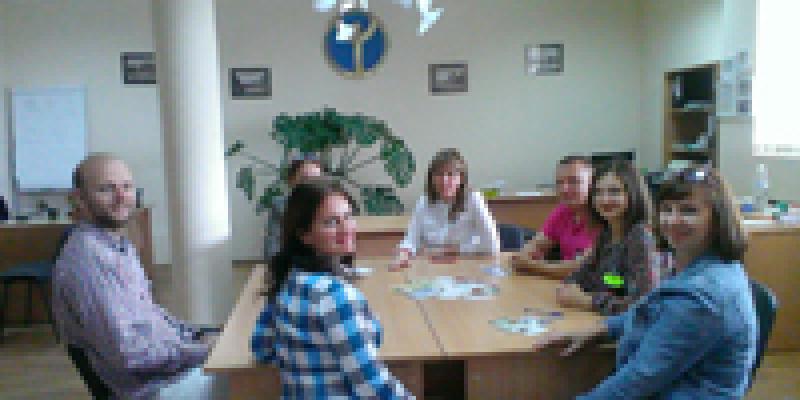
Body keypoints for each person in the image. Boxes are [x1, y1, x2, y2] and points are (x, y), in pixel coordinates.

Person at [544, 167, 757, 399]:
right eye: (667, 210)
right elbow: (649, 308)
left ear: (718, 218)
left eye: (689, 211)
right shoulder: (700, 265)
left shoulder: (700, 295)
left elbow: (639, 379)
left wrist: (592, 300)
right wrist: (603, 329)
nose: (673, 220)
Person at [51, 154, 222, 399]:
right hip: (150, 390)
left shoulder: (119, 246)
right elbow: (129, 356)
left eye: (127, 187)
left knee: (250, 355)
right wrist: (202, 351)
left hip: (171, 372)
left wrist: (198, 334)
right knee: (256, 374)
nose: (122, 197)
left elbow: (151, 315)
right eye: (106, 189)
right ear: (79, 198)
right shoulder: (87, 261)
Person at [251, 177, 413, 399]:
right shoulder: (335, 295)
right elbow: (372, 387)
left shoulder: (288, 280)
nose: (346, 229)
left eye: (348, 217)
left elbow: (261, 348)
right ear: (304, 235)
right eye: (331, 222)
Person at [556, 161, 661, 315]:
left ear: (632, 194)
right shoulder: (606, 234)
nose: (605, 199)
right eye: (598, 192)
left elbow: (645, 305)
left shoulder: (641, 236)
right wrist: (569, 287)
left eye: (614, 191)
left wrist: (590, 301)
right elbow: (590, 276)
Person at [394, 148, 500, 267]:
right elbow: (411, 240)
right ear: (432, 178)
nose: (444, 181)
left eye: (451, 174)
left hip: (466, 265)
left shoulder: (473, 199)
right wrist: (404, 253)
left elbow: (492, 244)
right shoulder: (423, 202)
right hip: (433, 267)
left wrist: (458, 250)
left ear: (461, 178)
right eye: (439, 174)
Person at [512, 155, 600, 279]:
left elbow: (583, 268)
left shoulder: (606, 216)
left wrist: (533, 266)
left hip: (606, 285)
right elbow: (530, 250)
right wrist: (527, 259)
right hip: (566, 285)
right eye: (559, 183)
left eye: (574, 181)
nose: (564, 189)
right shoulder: (563, 210)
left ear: (593, 185)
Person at [264, 155, 323, 260]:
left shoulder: (329, 206)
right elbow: (272, 248)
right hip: (292, 264)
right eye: (305, 179)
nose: (312, 184)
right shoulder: (280, 207)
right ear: (291, 181)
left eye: (317, 179)